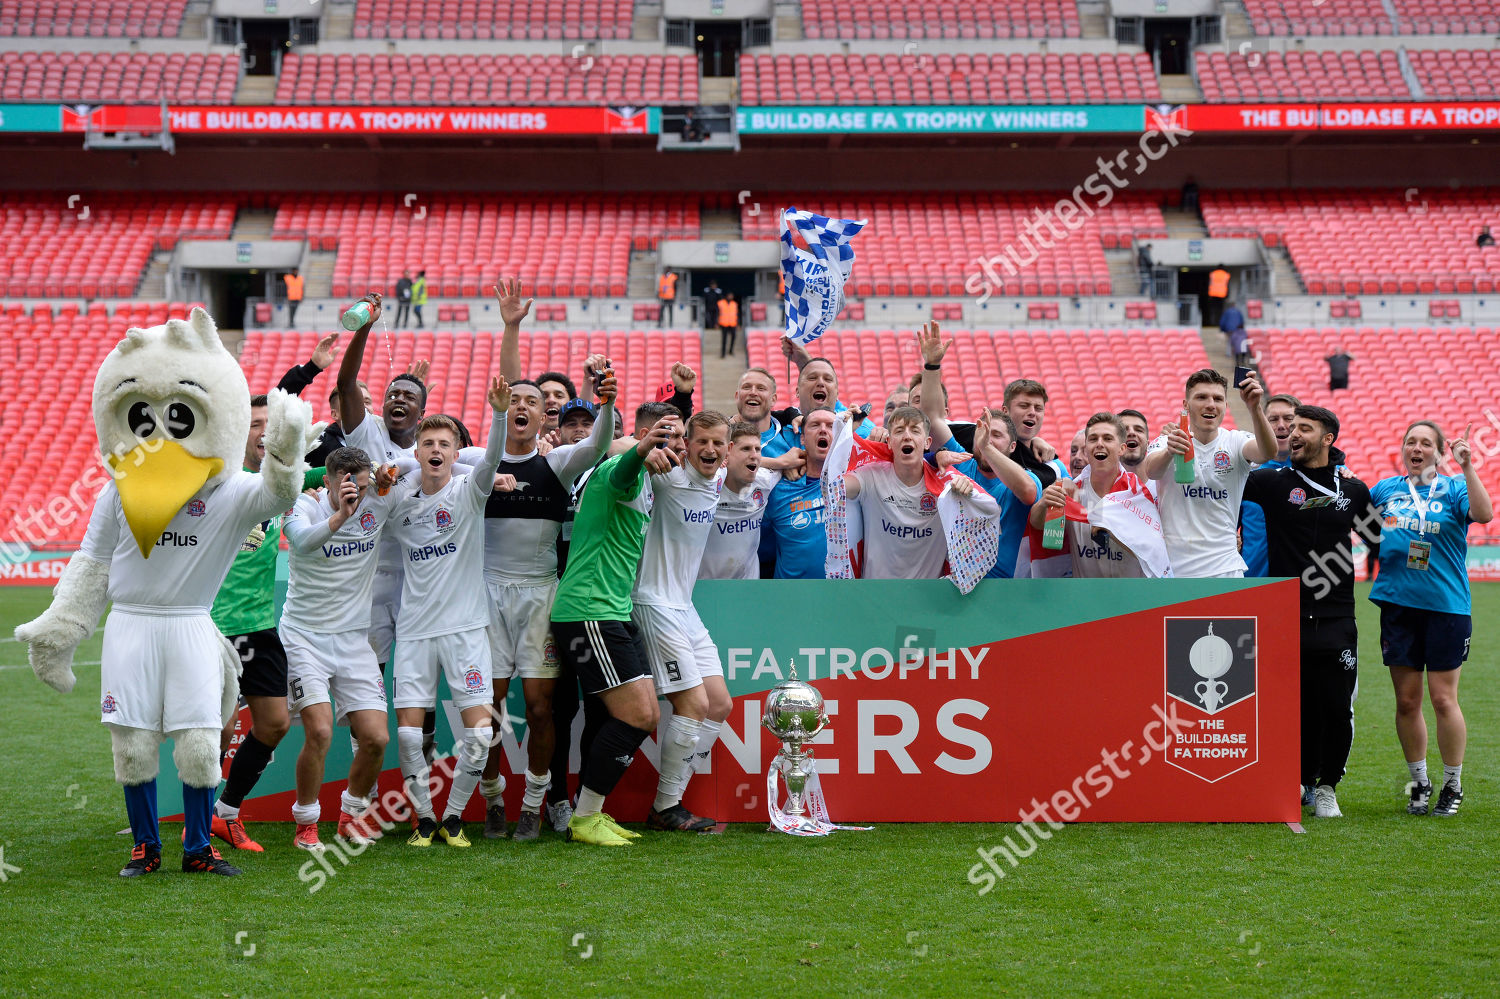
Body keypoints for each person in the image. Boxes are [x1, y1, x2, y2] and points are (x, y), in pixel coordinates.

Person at [471, 367, 616, 842]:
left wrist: (608, 405)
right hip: (487, 593)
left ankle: (533, 805)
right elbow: (422, 461)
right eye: (514, 400)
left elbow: (597, 447)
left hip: (539, 594)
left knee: (539, 709)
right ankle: (493, 800)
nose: (523, 407)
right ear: (503, 409)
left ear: (543, 417)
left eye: (532, 402)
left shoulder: (556, 464)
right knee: (488, 707)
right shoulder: (478, 462)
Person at [388, 380, 511, 848]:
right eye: (428, 443)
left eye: (445, 443)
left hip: (465, 630)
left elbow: (494, 459)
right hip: (415, 632)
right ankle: (423, 819)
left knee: (480, 732)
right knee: (405, 737)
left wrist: (498, 414)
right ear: (416, 451)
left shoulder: (469, 490)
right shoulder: (396, 500)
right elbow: (364, 492)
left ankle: (454, 817)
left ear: (457, 452)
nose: (436, 449)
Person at [1242, 405, 1379, 819]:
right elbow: (1217, 489)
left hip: (1337, 615)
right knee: (1289, 706)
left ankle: (1326, 786)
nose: (1293, 433)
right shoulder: (1270, 481)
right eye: (1292, 427)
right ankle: (1298, 780)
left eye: (1305, 428)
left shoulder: (1354, 490)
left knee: (1335, 707)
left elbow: (1376, 539)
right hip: (1284, 616)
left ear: (1328, 438)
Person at [549, 413, 678, 846]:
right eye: (665, 438)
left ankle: (590, 813)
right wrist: (640, 451)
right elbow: (622, 466)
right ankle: (582, 819)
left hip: (611, 612)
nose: (672, 447)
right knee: (639, 715)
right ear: (641, 439)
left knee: (642, 714)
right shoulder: (616, 471)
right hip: (589, 612)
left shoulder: (645, 481)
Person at [210, 395, 328, 853]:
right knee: (216, 728)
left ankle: (226, 814)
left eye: (268, 424)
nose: (262, 431)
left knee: (275, 723)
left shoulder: (279, 487)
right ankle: (199, 825)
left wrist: (370, 468)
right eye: (253, 423)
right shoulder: (219, 482)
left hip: (260, 626)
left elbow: (323, 474)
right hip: (214, 627)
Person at [1369, 421, 1493, 817]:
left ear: (1439, 452)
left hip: (1446, 608)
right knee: (1407, 701)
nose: (1417, 448)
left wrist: (1468, 466)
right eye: (1410, 442)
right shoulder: (1385, 490)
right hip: (1398, 607)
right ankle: (1419, 782)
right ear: (1402, 449)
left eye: (1426, 443)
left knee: (1442, 698)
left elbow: (1485, 513)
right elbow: (1359, 528)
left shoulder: (1454, 488)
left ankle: (1453, 783)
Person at [280, 447, 400, 850]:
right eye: (351, 486)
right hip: (304, 637)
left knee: (377, 739)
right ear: (328, 480)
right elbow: (300, 541)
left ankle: (351, 813)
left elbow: (425, 463)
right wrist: (340, 516)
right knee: (319, 731)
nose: (360, 494)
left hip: (354, 640)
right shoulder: (305, 506)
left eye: (365, 485)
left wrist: (386, 474)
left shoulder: (376, 502)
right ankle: (306, 822)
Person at [633, 411, 734, 831]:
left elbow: (758, 462)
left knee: (720, 705)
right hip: (652, 601)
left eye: (718, 443)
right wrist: (644, 453)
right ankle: (666, 807)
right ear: (687, 444)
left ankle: (670, 798)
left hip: (685, 606)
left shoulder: (718, 479)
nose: (709, 449)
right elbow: (620, 452)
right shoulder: (666, 476)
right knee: (691, 704)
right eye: (702, 442)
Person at [917, 323, 1040, 579]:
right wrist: (931, 367)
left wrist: (986, 447)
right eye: (983, 432)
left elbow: (1028, 493)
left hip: (1000, 593)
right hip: (953, 585)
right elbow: (932, 417)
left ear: (1013, 446)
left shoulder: (1026, 477)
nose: (987, 438)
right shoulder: (961, 462)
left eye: (996, 435)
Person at [1142, 368, 1277, 577]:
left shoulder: (1235, 441)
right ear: (1186, 405)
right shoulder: (1167, 442)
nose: (1211, 404)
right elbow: (1151, 471)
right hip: (1175, 569)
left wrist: (1255, 408)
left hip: (1225, 568)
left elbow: (1268, 452)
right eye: (1201, 397)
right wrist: (1170, 451)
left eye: (1217, 398)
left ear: (1225, 405)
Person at [1029, 413, 1168, 578]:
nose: (1100, 444)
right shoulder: (1071, 490)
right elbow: (1038, 525)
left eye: (1108, 439)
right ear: (1087, 447)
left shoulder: (1137, 493)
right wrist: (1043, 503)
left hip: (1130, 599)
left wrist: (1115, 530)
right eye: (1093, 439)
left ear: (1121, 449)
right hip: (1085, 597)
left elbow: (1155, 553)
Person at [700, 421, 782, 580]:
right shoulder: (705, 488)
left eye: (757, 449)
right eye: (746, 449)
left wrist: (791, 466)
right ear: (727, 452)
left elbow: (793, 462)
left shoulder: (764, 481)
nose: (754, 455)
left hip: (747, 591)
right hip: (706, 589)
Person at [763, 410, 837, 578]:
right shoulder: (778, 490)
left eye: (831, 426)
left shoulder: (857, 484)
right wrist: (778, 464)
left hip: (841, 597)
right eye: (815, 425)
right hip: (790, 598)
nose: (823, 430)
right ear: (802, 438)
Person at [1239, 393, 1301, 579]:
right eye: (1273, 419)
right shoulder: (1243, 473)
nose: (1281, 425)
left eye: (1289, 418)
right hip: (1254, 583)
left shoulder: (1320, 471)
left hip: (1305, 587)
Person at [733, 367, 782, 448]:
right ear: (737, 396)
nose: (753, 392)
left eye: (761, 388)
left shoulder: (794, 435)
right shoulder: (720, 436)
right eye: (746, 387)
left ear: (773, 400)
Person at [1117, 409, 1151, 477]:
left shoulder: (1165, 481)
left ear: (1148, 444)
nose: (1131, 432)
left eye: (1139, 430)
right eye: (1124, 430)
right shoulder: (1101, 483)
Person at [1219, 301, 1248, 367]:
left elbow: (1223, 321)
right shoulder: (1238, 312)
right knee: (1236, 341)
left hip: (1228, 328)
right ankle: (1232, 352)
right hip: (1237, 328)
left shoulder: (1226, 312)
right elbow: (1241, 320)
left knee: (1229, 341)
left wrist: (1222, 329)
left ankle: (1229, 353)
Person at [717, 292, 740, 359]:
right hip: (724, 323)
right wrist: (717, 323)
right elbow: (717, 313)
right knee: (724, 339)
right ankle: (723, 353)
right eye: (729, 296)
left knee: (733, 337)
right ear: (726, 296)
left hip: (733, 323)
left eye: (732, 296)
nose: (731, 297)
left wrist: (738, 323)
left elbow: (737, 314)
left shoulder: (734, 304)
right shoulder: (720, 303)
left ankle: (730, 350)